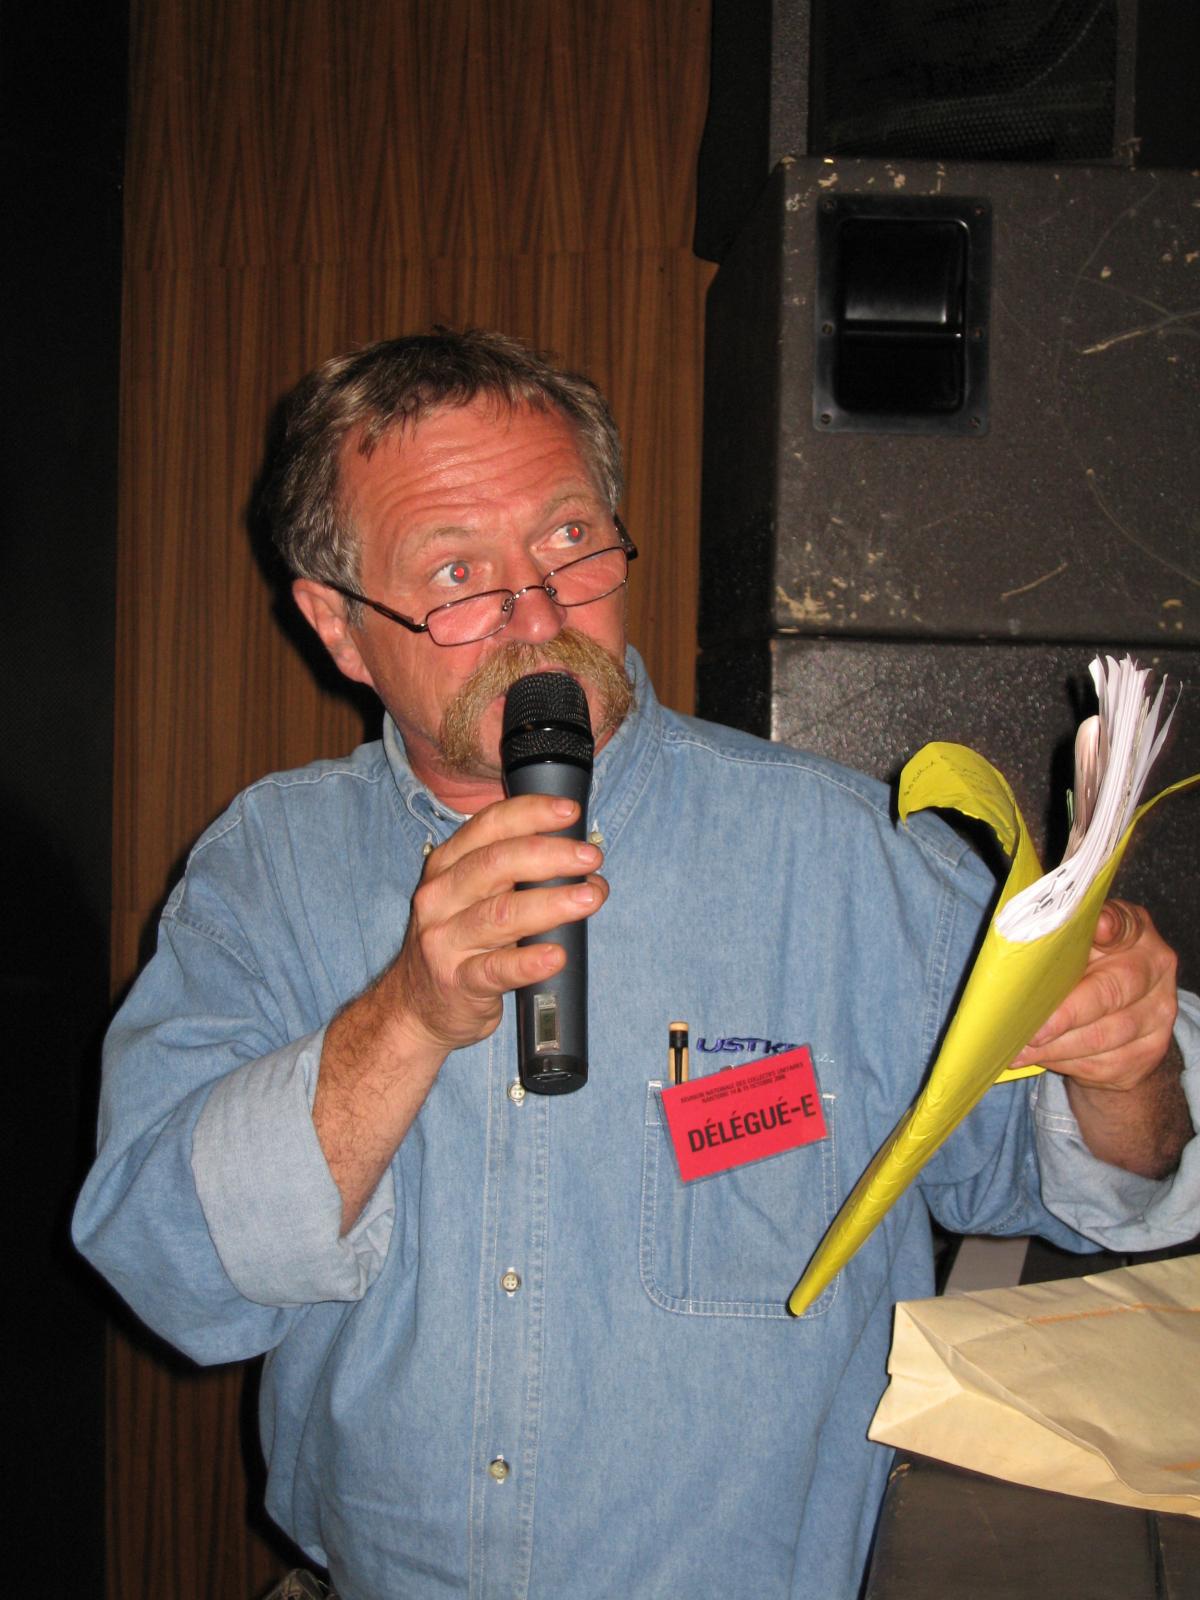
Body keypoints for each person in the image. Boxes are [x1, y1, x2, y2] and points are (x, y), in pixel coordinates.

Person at [75, 329, 1199, 1600]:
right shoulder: (267, 871)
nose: (540, 615)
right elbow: (169, 1271)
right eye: (457, 572)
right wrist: (406, 1017)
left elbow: (1101, 1180)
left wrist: (1127, 1067)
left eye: (570, 540)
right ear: (339, 626)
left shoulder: (851, 854)